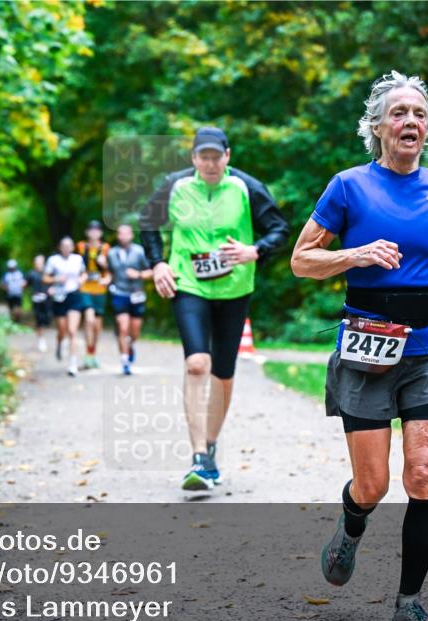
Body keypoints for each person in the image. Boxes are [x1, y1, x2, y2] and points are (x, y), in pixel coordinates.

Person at [290, 71, 428, 621]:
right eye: (399, 113)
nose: (410, 122)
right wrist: (355, 253)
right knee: (371, 486)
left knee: (422, 474)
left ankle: (408, 606)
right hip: (367, 347)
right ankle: (351, 528)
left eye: (420, 114)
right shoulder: (349, 186)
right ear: (377, 127)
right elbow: (302, 260)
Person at [140, 126, 289, 492]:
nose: (209, 163)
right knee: (196, 364)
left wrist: (255, 250)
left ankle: (209, 447)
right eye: (202, 156)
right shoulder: (175, 186)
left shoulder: (246, 187)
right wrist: (158, 263)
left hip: (235, 287)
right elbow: (147, 222)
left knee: (223, 370)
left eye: (215, 156)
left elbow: (279, 229)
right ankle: (198, 456)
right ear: (193, 159)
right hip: (188, 283)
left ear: (227, 156)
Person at [107, 224, 152, 375]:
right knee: (123, 327)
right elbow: (109, 273)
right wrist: (106, 280)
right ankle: (125, 361)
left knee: (134, 332)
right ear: (117, 236)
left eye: (126, 233)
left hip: (137, 294)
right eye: (120, 233)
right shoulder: (111, 253)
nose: (123, 236)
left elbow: (151, 271)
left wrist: (138, 275)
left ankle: (130, 345)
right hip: (119, 293)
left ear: (132, 235)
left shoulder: (140, 251)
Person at [44, 237, 87, 377]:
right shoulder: (53, 260)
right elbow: (45, 278)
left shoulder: (78, 259)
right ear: (59, 247)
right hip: (59, 296)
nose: (66, 248)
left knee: (72, 330)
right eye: (64, 246)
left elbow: (83, 273)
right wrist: (56, 279)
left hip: (74, 295)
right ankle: (60, 342)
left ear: (73, 247)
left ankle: (73, 364)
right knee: (62, 329)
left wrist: (82, 279)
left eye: (69, 246)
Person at [76, 220, 111, 369]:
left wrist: (105, 269)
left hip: (100, 289)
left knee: (97, 326)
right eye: (91, 230)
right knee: (89, 320)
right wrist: (78, 277)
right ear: (87, 233)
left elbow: (112, 268)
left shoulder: (106, 248)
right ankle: (87, 353)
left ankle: (92, 353)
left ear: (100, 233)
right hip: (85, 288)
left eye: (96, 230)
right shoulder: (81, 247)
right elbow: (74, 264)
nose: (94, 233)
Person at [26, 254, 51, 352]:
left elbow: (52, 283)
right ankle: (41, 338)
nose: (39, 264)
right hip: (35, 299)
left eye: (40, 262)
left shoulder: (48, 273)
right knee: (39, 318)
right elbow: (26, 284)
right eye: (37, 262)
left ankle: (41, 335)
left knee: (46, 318)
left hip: (46, 299)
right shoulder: (31, 273)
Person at [0, 259, 26, 323]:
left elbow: (25, 282)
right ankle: (12, 320)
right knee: (11, 308)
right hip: (10, 294)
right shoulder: (6, 274)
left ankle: (18, 320)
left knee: (18, 308)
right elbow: (2, 284)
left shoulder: (20, 273)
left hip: (18, 293)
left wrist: (23, 287)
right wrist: (6, 288)